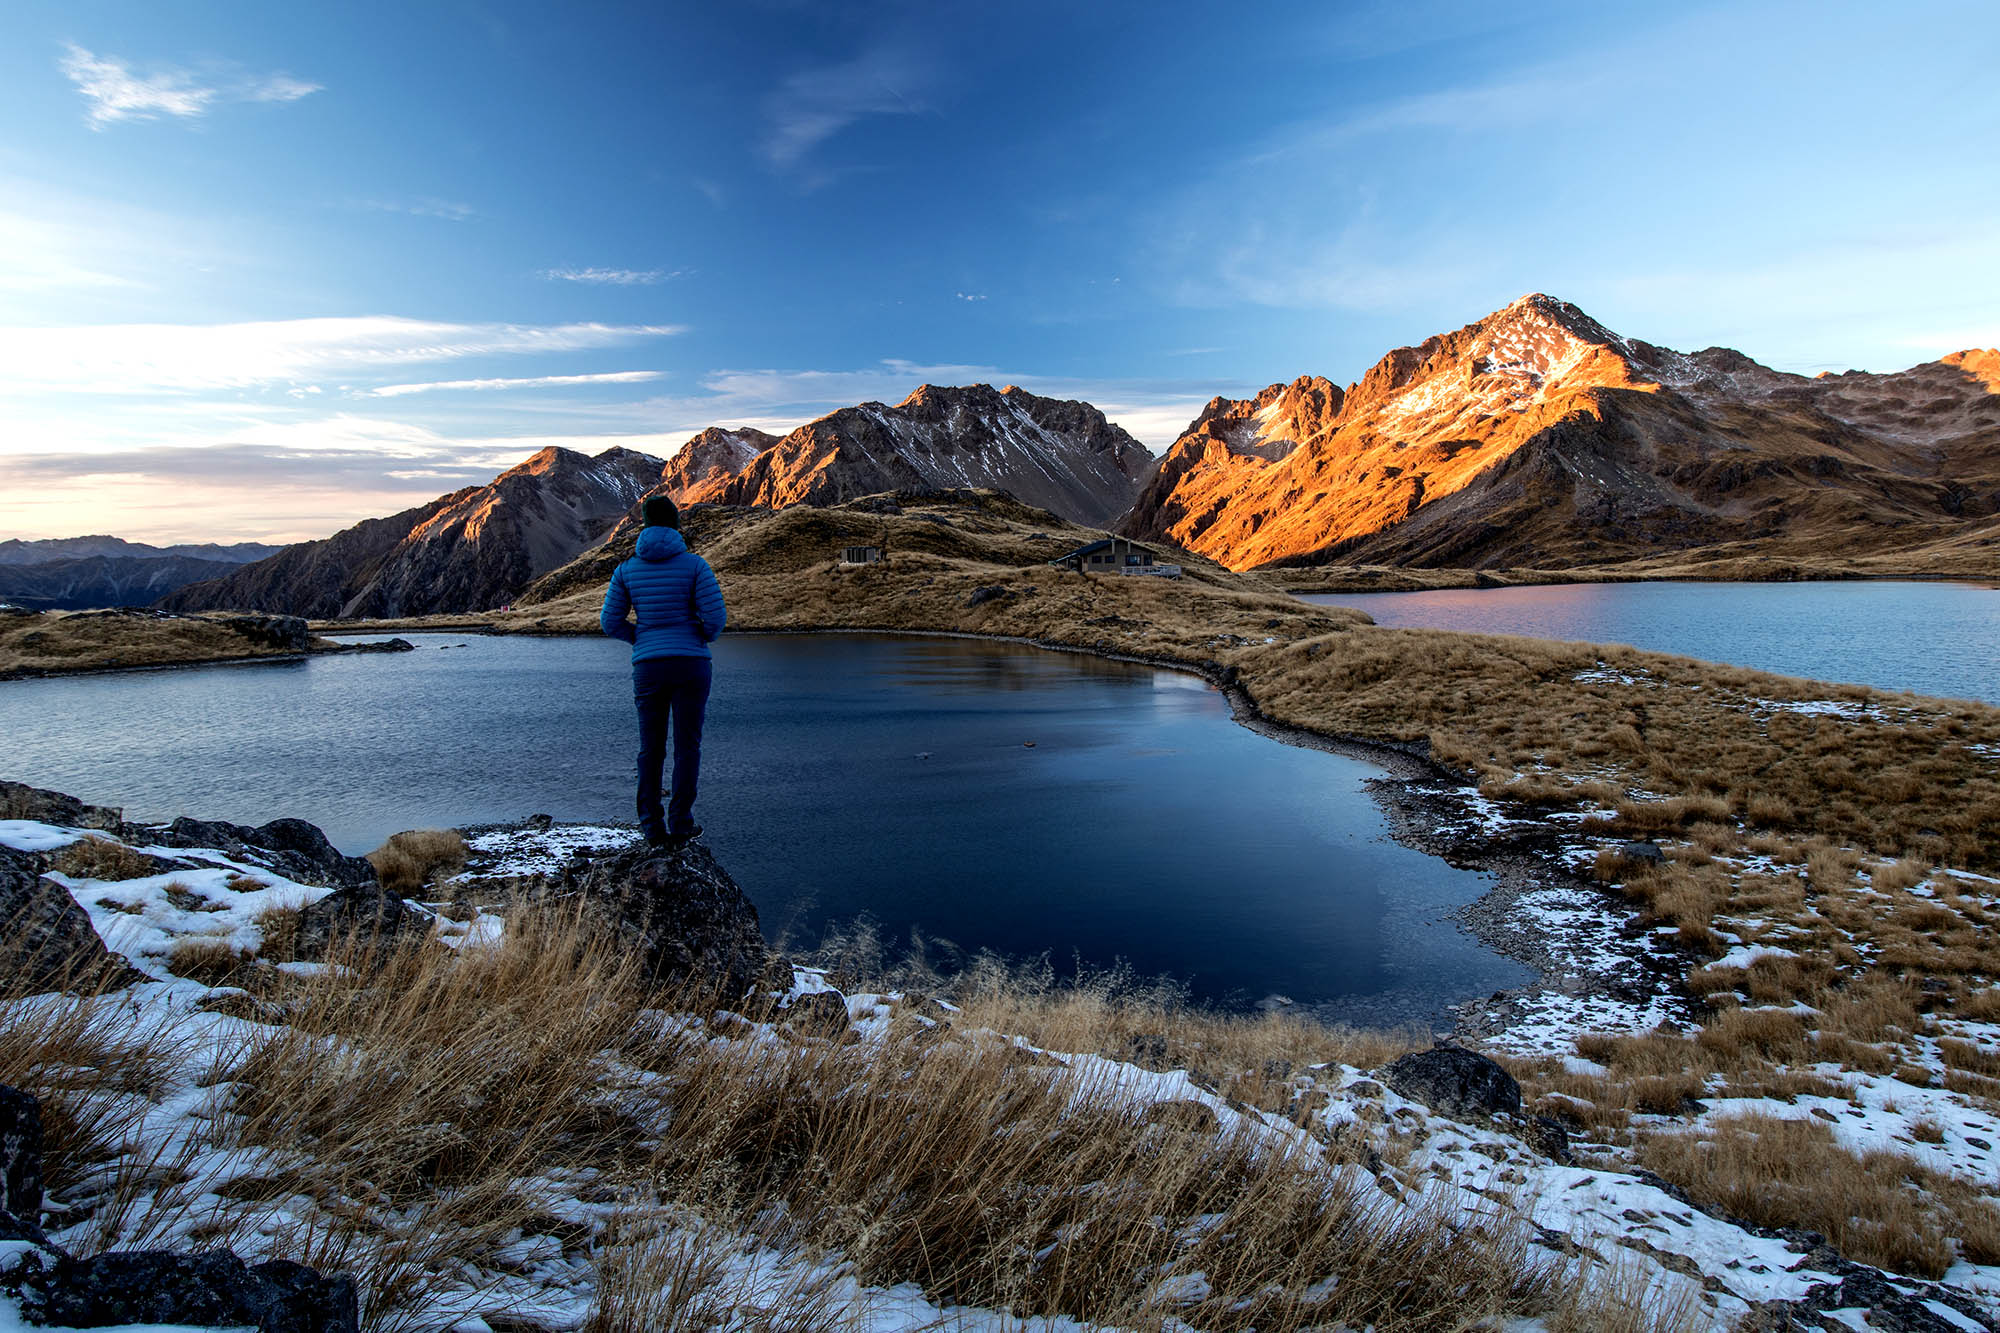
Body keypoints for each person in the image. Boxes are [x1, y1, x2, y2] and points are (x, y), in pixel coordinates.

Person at [600, 495, 727, 848]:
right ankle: (681, 825)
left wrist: (640, 639)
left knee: (650, 749)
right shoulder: (695, 566)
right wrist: (700, 636)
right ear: (675, 525)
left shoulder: (625, 570)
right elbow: (716, 618)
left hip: (648, 666)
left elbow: (610, 622)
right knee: (688, 746)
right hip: (691, 663)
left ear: (644, 525)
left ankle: (652, 828)